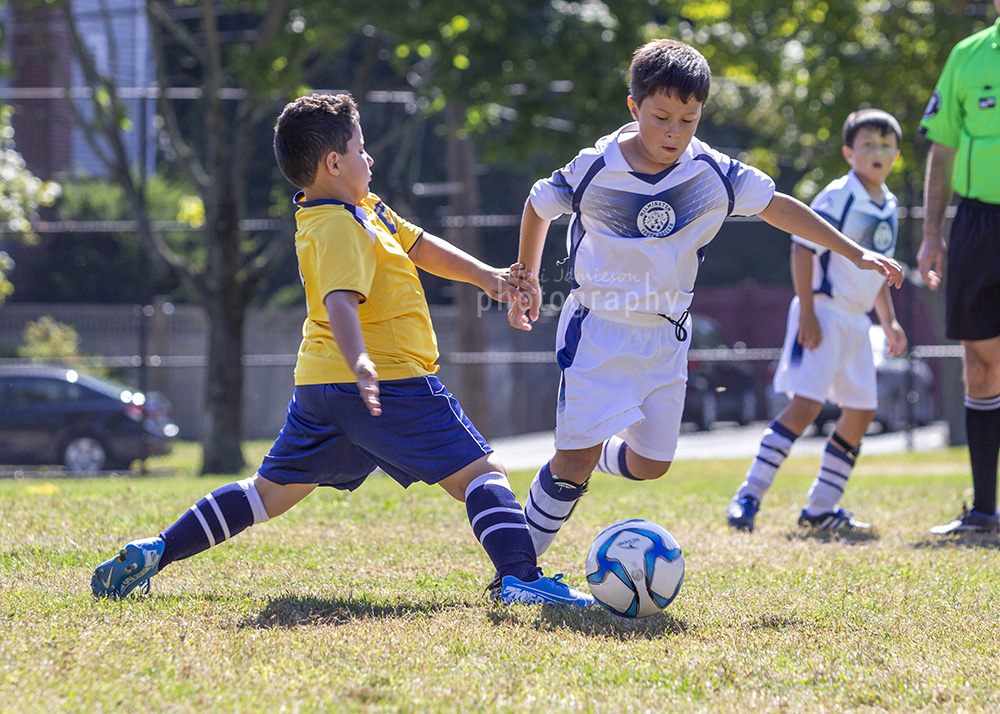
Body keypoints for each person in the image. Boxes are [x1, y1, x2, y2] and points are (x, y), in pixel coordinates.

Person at [90, 93, 593, 608]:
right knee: (482, 474)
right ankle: (521, 579)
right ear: (334, 163)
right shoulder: (337, 227)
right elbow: (340, 301)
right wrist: (361, 360)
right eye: (360, 148)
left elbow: (418, 244)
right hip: (386, 380)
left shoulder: (363, 209)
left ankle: (157, 551)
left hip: (322, 387)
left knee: (267, 494)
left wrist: (486, 276)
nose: (368, 159)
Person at [506, 39, 904, 557]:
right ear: (634, 107)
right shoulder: (595, 168)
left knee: (652, 464)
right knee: (573, 463)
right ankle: (517, 568)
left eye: (688, 120)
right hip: (599, 329)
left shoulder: (712, 172)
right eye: (661, 118)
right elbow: (538, 204)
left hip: (668, 334)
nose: (674, 132)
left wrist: (855, 252)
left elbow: (778, 207)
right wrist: (528, 277)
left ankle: (587, 453)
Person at [726, 109, 907, 534]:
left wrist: (889, 320)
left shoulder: (890, 204)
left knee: (861, 411)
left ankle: (821, 508)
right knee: (805, 406)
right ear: (848, 153)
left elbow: (877, 271)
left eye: (886, 145)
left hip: (857, 322)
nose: (877, 152)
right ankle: (748, 495)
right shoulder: (839, 195)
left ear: (897, 156)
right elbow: (802, 248)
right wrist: (807, 310)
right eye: (868, 144)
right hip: (823, 314)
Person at [918, 2, 1000, 535]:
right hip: (977, 225)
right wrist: (931, 232)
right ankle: (985, 511)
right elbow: (943, 148)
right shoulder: (968, 56)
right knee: (980, 361)